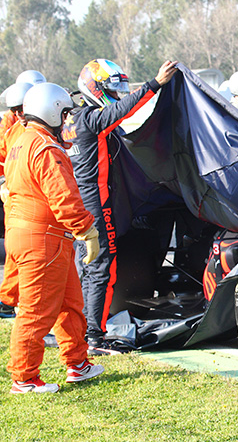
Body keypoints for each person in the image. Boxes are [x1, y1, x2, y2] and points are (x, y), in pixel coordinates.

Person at [62, 58, 178, 352]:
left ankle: (82, 331)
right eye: (112, 87)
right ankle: (93, 337)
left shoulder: (71, 120)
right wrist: (155, 84)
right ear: (93, 87)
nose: (117, 93)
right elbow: (122, 111)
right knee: (102, 270)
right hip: (94, 207)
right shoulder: (90, 119)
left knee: (85, 269)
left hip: (76, 206)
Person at [4, 82, 104, 393]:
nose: (66, 120)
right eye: (64, 113)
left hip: (32, 234)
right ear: (52, 111)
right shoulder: (45, 148)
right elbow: (64, 196)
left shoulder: (21, 141)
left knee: (69, 303)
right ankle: (24, 377)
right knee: (37, 310)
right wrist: (87, 230)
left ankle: (77, 363)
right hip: (43, 238)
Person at [0, 81, 34, 318]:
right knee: (19, 253)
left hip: (23, 199)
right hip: (21, 201)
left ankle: (10, 300)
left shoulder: (18, 131)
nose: (17, 115)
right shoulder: (15, 132)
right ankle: (9, 301)